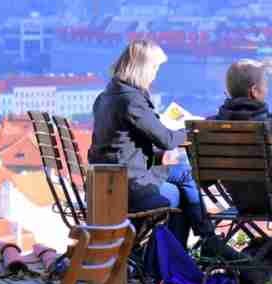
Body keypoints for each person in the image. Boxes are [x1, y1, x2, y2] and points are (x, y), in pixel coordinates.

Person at [88, 39, 214, 249]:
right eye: (154, 67)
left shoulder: (107, 96)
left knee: (182, 172)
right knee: (179, 192)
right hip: (127, 183)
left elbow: (120, 143)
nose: (155, 73)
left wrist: (157, 155)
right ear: (142, 69)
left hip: (110, 178)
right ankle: (189, 249)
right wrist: (191, 130)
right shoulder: (131, 100)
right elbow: (165, 139)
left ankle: (197, 243)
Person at [211, 59, 270, 213]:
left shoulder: (210, 126)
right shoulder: (268, 125)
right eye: (266, 84)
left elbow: (205, 179)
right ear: (254, 90)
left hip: (240, 202)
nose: (267, 89)